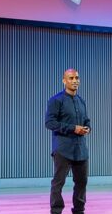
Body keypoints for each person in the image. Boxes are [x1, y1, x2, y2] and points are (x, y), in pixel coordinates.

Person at [45, 68, 91, 214]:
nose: (74, 81)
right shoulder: (55, 100)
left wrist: (88, 128)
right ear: (64, 81)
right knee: (58, 183)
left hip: (80, 150)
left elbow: (86, 120)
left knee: (82, 182)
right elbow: (50, 123)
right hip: (63, 149)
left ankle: (79, 210)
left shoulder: (81, 101)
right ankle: (56, 211)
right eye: (71, 78)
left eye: (77, 78)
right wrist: (73, 128)